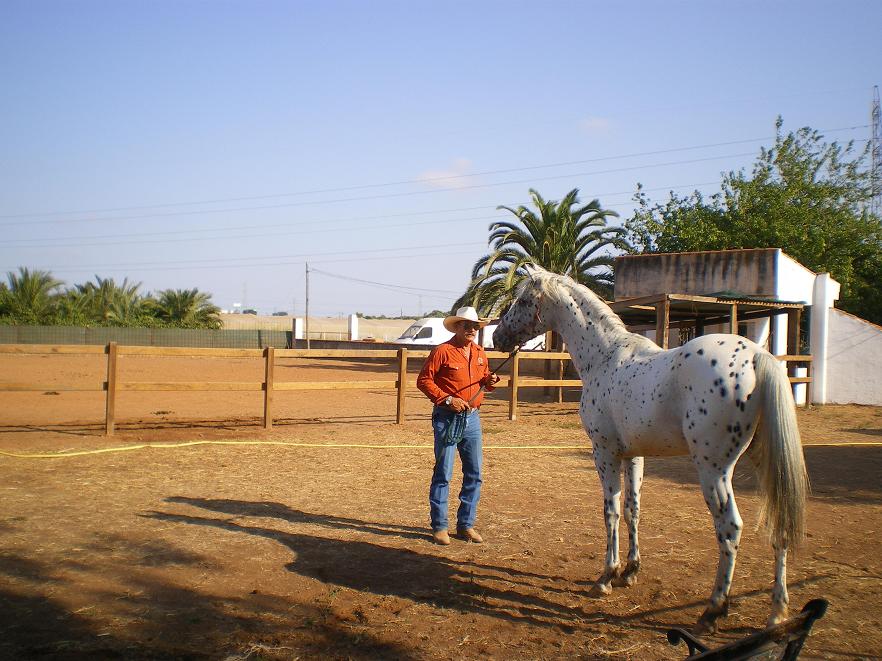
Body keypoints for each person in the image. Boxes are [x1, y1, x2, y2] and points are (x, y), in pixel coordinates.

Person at [417, 306, 500, 546]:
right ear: (457, 327)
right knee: (444, 472)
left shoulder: (480, 353)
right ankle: (440, 526)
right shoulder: (442, 351)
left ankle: (466, 524)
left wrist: (490, 381)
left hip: (472, 419)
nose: (472, 330)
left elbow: (483, 381)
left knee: (475, 473)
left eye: (475, 326)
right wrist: (447, 400)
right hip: (447, 417)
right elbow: (424, 380)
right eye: (467, 325)